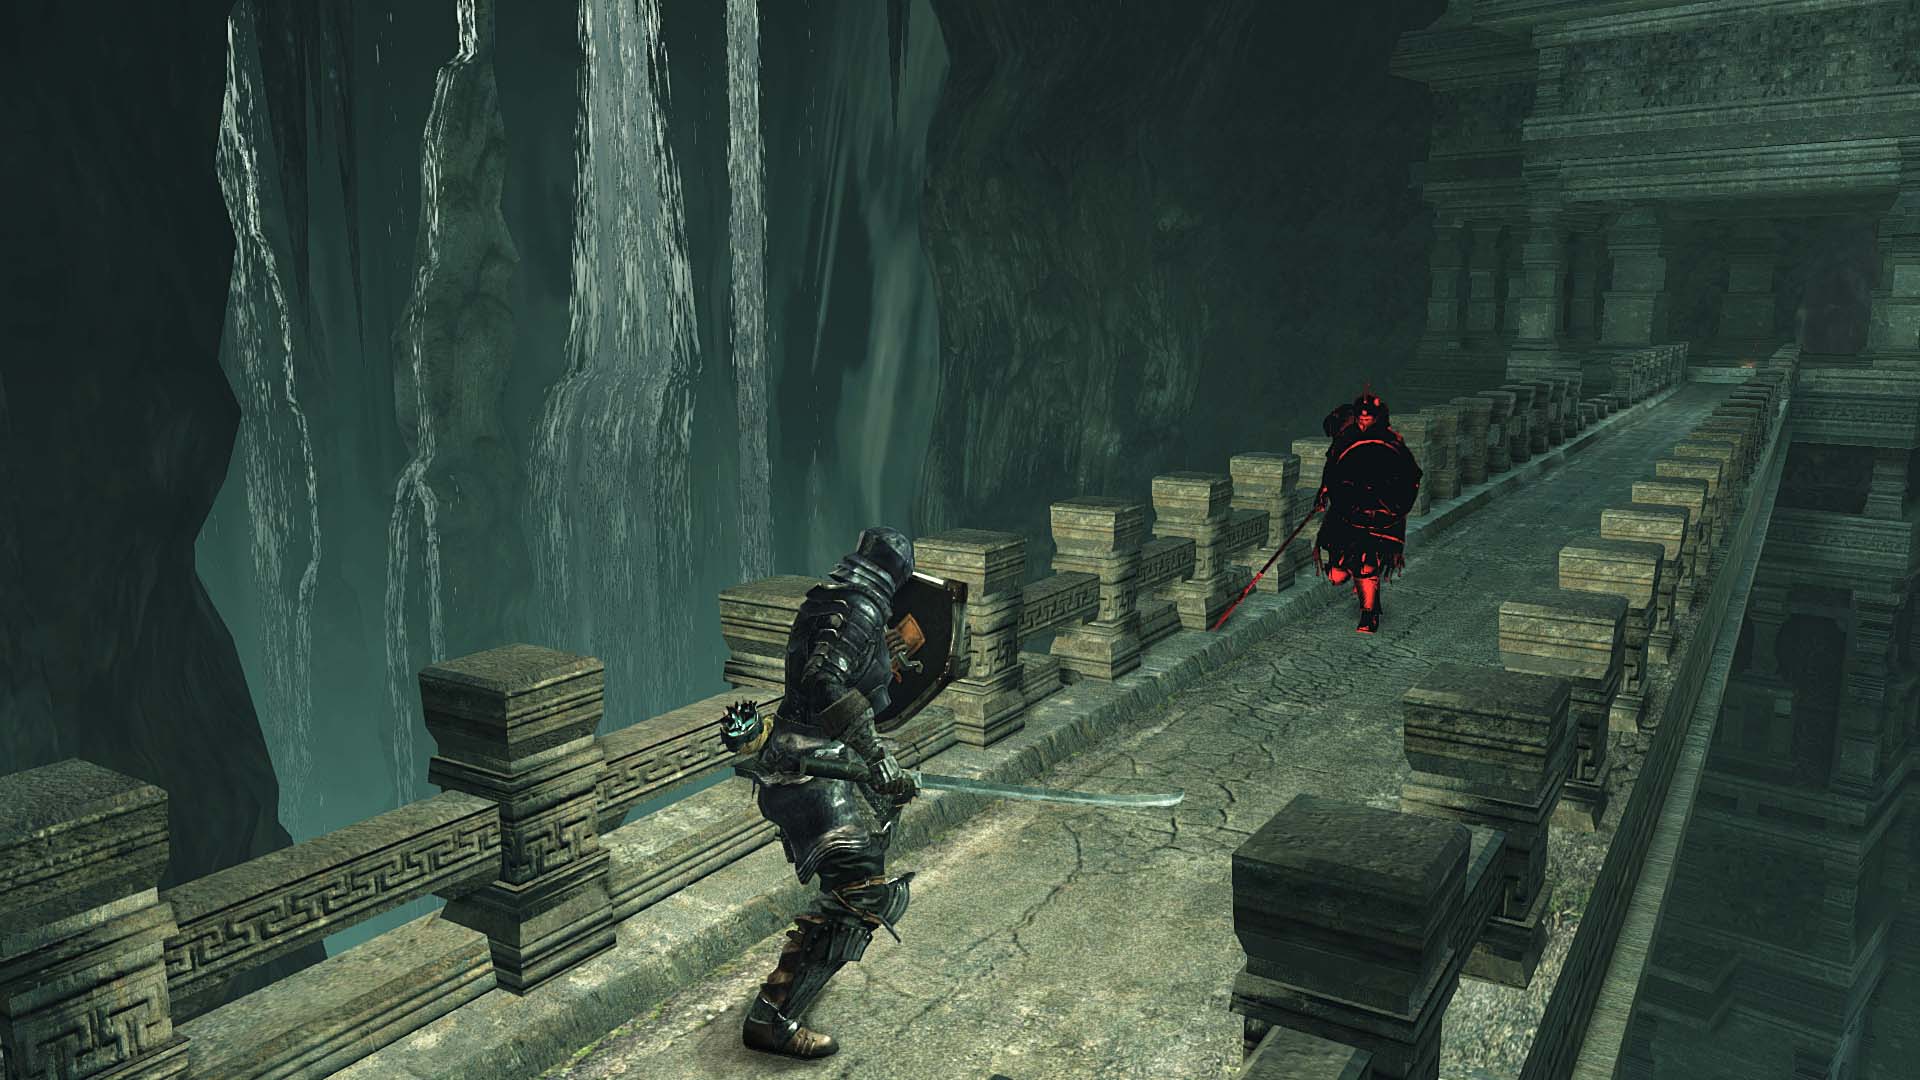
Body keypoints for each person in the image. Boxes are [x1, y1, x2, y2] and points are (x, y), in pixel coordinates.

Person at [737, 527, 922, 1058]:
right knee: (860, 891)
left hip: (808, 756)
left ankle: (786, 990)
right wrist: (877, 755)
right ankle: (772, 1020)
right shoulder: (861, 607)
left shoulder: (827, 600)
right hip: (813, 767)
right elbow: (823, 681)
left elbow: (835, 672)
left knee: (862, 867)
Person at [1314, 391, 1422, 633]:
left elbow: (1411, 476)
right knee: (1337, 574)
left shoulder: (1391, 441)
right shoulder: (1346, 438)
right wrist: (1325, 491)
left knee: (1366, 564)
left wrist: (1388, 501)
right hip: (1348, 511)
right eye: (1360, 419)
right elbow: (1333, 468)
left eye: (1368, 419)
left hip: (1381, 516)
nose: (1364, 423)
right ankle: (1359, 581)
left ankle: (1369, 614)